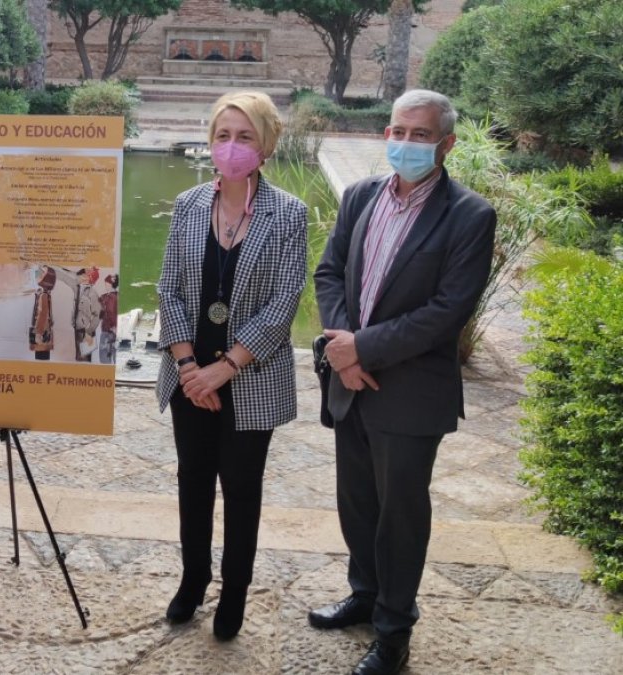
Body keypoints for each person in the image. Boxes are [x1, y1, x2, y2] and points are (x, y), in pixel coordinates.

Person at [311, 89, 495, 675]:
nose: (406, 143)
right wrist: (343, 352)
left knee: (401, 518)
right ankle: (365, 595)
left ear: (447, 144)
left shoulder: (470, 215)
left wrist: (362, 348)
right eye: (398, 131)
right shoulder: (361, 195)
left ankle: (393, 631)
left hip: (411, 392)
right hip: (351, 383)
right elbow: (330, 272)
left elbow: (447, 311)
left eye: (421, 135)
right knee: (357, 503)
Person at [155, 91, 307, 640]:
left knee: (242, 488)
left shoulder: (288, 214)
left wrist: (224, 369)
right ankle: (193, 579)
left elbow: (284, 303)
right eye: (223, 136)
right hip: (188, 374)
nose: (232, 146)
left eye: (244, 137)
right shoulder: (190, 204)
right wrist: (189, 366)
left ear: (266, 145)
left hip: (250, 379)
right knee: (192, 480)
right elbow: (169, 289)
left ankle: (234, 591)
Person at [53, 266, 101, 362]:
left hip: (86, 332)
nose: (78, 277)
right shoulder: (77, 287)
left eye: (82, 275)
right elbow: (64, 277)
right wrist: (49, 269)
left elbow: (98, 315)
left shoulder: (93, 294)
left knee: (85, 359)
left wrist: (89, 331)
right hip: (78, 329)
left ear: (88, 278)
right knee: (79, 357)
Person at [30, 266, 56, 360]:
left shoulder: (43, 295)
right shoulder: (46, 294)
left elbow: (42, 315)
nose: (39, 273)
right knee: (43, 355)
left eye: (43, 272)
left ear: (47, 279)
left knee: (41, 356)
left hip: (41, 332)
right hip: (45, 330)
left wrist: (39, 333)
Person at [99, 273, 119, 364]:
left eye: (106, 284)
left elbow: (110, 312)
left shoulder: (110, 297)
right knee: (116, 358)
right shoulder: (117, 296)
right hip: (116, 331)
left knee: (104, 359)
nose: (105, 285)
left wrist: (113, 327)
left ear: (110, 284)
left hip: (108, 331)